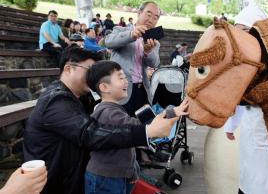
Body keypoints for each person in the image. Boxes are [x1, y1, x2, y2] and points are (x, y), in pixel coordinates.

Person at [23, 47, 178, 194]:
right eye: (89, 70)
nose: (94, 75)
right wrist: (147, 132)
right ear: (69, 68)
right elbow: (90, 134)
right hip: (56, 183)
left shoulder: (83, 97)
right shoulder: (56, 100)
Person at [85, 60, 189, 194]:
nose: (126, 81)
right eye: (120, 77)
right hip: (106, 179)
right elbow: (142, 127)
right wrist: (173, 112)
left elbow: (130, 139)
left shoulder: (111, 109)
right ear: (105, 87)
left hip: (114, 175)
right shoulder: (108, 113)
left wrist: (132, 171)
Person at [224, 5, 268, 194]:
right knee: (249, 175)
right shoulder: (243, 61)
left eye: (245, 30)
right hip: (251, 134)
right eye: (237, 30)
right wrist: (231, 125)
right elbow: (239, 97)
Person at [105, 1, 161, 117]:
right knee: (120, 127)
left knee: (142, 128)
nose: (151, 20)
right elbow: (108, 42)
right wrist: (131, 35)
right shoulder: (121, 30)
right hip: (121, 88)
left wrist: (148, 52)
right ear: (139, 13)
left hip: (142, 90)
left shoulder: (154, 41)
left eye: (155, 17)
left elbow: (155, 63)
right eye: (148, 14)